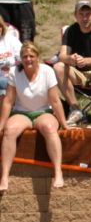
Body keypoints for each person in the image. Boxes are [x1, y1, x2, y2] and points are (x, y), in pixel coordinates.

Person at [0, 41, 68, 191]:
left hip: (43, 111)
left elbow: (55, 101)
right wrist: (1, 124)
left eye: (31, 56)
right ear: (21, 58)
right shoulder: (14, 72)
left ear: (38, 57)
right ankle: (4, 176)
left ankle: (58, 172)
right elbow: (8, 101)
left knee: (49, 128)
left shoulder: (47, 71)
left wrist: (64, 123)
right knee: (9, 131)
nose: (28, 59)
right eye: (25, 56)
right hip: (22, 112)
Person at [53, 0, 91, 126]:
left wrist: (86, 60)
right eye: (81, 14)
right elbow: (62, 55)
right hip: (79, 75)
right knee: (58, 66)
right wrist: (71, 59)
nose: (85, 18)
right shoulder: (70, 31)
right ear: (75, 16)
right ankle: (76, 110)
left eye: (88, 14)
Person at [0, 19, 21, 103]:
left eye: (0, 26)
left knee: (4, 82)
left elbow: (22, 57)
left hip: (13, 76)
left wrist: (12, 63)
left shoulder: (11, 39)